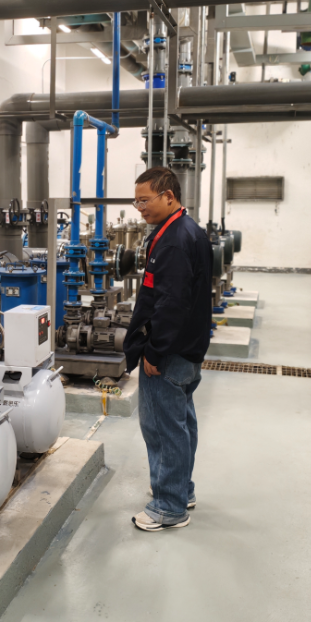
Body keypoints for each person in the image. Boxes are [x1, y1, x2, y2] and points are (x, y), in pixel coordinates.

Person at [123, 166, 213, 532]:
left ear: (169, 196)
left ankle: (168, 507)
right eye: (136, 201)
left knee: (163, 428)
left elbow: (171, 304)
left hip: (170, 352)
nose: (139, 208)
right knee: (182, 422)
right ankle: (180, 489)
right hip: (189, 347)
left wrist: (155, 351)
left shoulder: (174, 241)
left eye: (144, 200)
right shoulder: (187, 231)